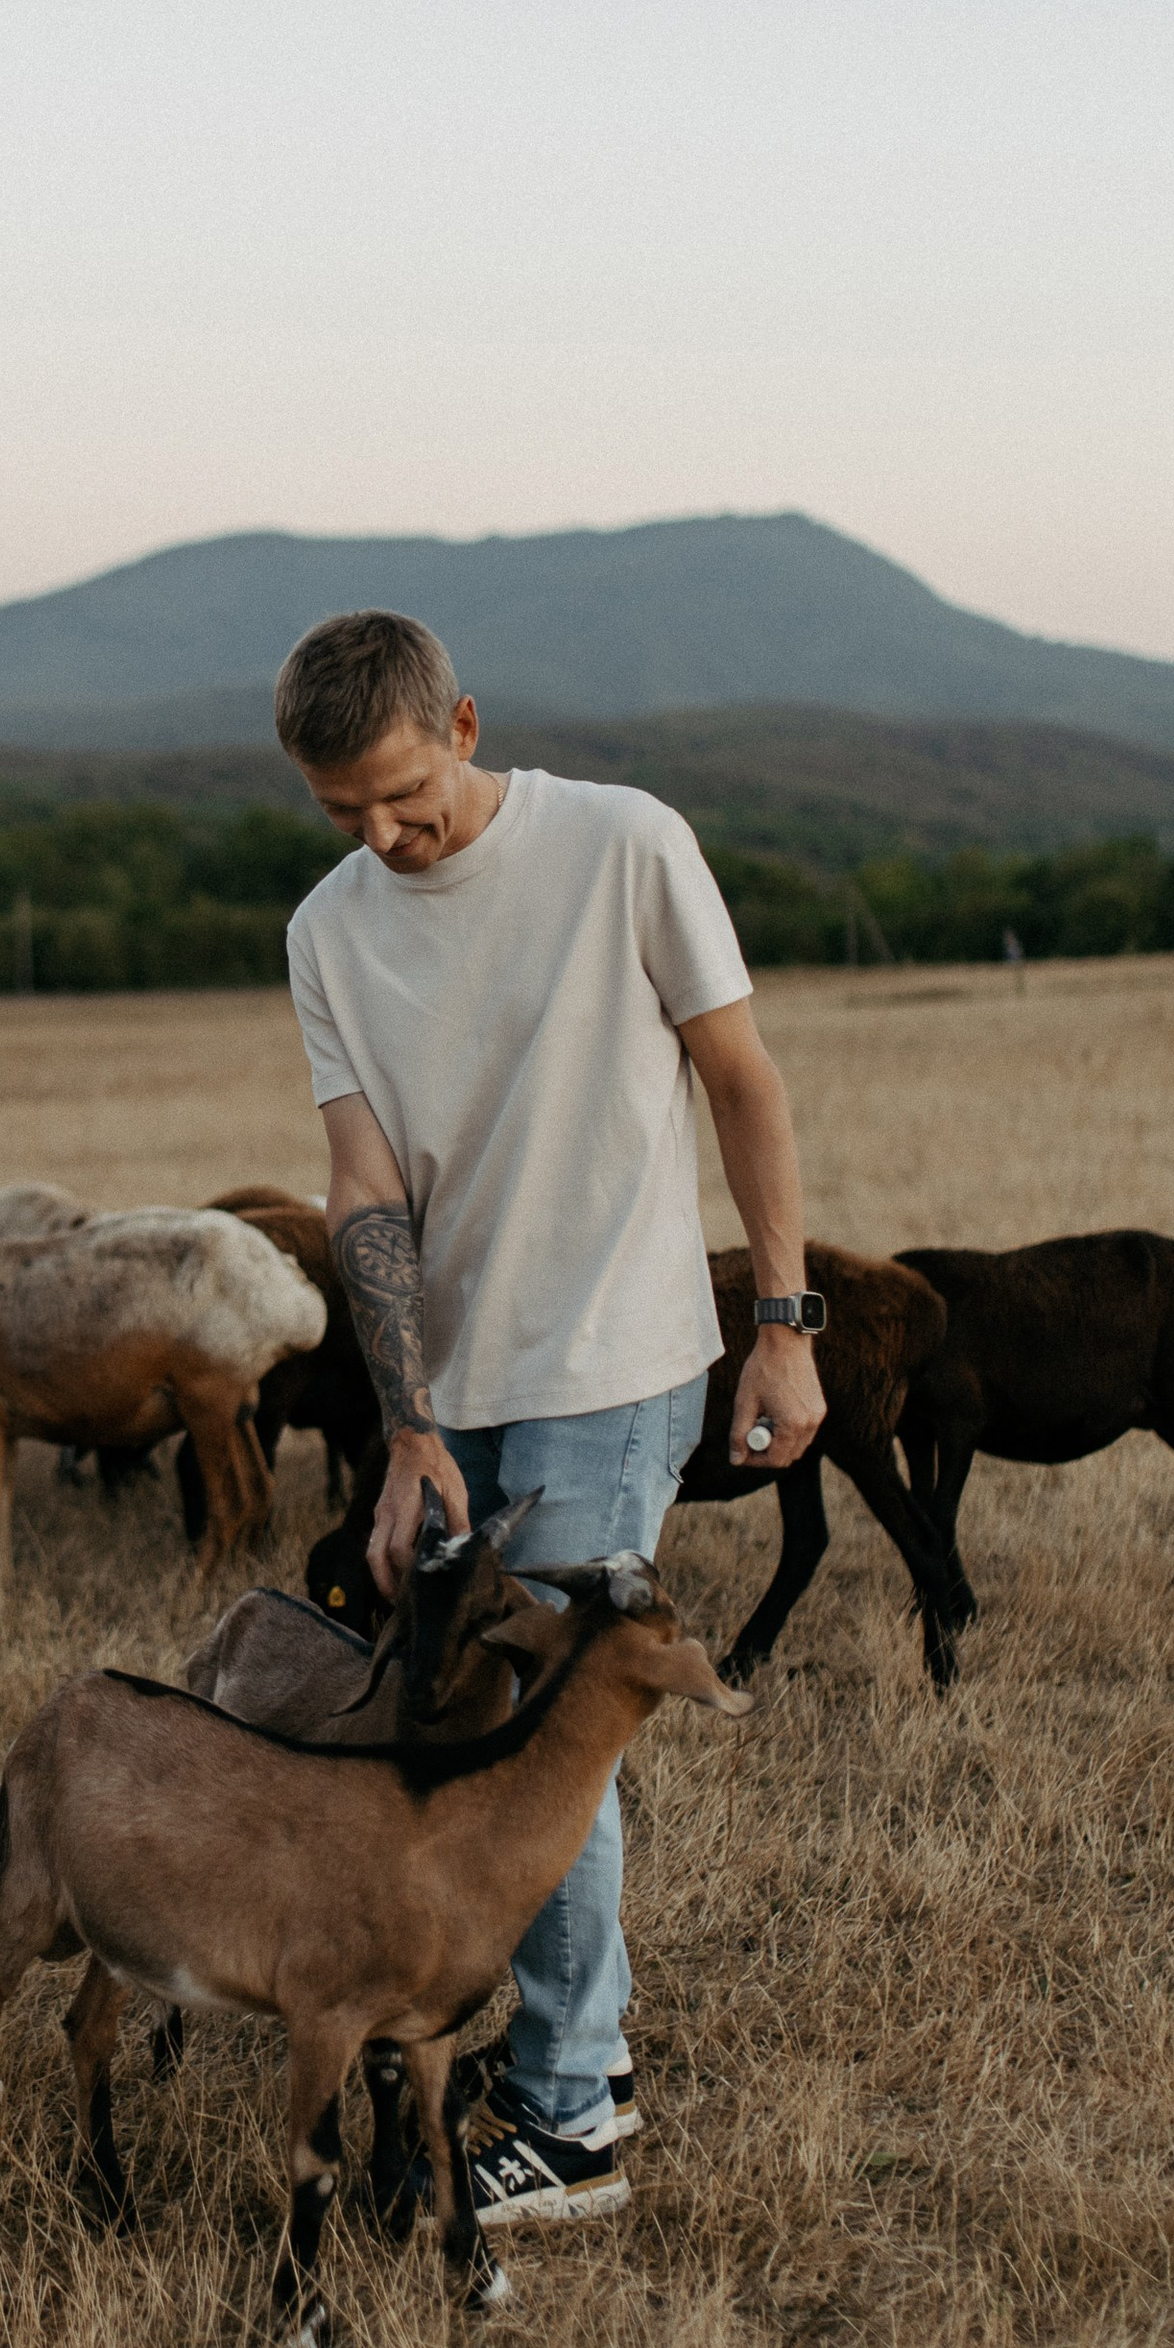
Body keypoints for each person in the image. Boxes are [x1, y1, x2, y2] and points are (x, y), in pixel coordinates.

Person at [277, 611, 826, 2231]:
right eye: (341, 814)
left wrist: (785, 1328)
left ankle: (574, 2112)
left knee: (544, 1727)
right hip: (460, 1381)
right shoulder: (328, 932)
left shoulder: (623, 842)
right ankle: (575, 2048)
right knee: (454, 1715)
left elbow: (745, 1082)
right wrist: (409, 1425)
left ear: (460, 720)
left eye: (402, 796)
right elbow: (365, 1190)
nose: (383, 837)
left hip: (619, 1356)